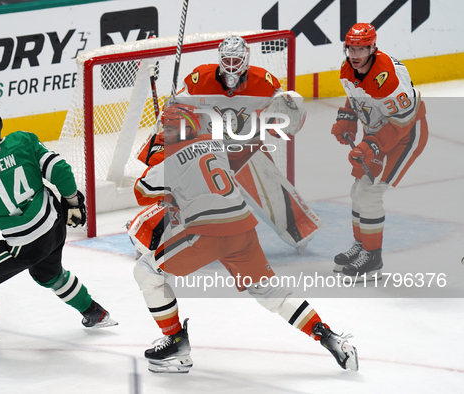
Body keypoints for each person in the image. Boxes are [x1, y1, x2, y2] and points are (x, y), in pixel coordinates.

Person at [132, 103, 358, 373]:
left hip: (207, 234)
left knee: (146, 270)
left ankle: (176, 344)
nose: (165, 133)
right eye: (164, 129)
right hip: (243, 229)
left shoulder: (171, 157)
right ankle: (329, 337)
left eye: (169, 129)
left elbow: (141, 191)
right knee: (269, 292)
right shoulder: (216, 144)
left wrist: (159, 151)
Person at [131, 35, 322, 256]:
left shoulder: (265, 82)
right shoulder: (199, 78)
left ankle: (299, 230)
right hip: (207, 153)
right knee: (183, 194)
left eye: (236, 60)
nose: (231, 66)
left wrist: (288, 112)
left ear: (246, 60)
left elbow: (282, 115)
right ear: (220, 59)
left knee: (285, 211)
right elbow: (176, 112)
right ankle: (145, 233)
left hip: (247, 152)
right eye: (227, 60)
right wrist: (177, 120)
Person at [0, 107, 117, 342]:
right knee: (48, 275)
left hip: (26, 243)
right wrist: (72, 200)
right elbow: (59, 169)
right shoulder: (23, 140)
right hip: (55, 223)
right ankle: (94, 312)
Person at [331, 23, 428, 280]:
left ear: (373, 47)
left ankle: (373, 259)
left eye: (361, 49)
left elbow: (402, 122)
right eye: (351, 48)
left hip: (406, 135)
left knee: (370, 192)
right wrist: (348, 119)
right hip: (378, 131)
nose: (355, 55)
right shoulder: (348, 67)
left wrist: (370, 145)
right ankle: (362, 246)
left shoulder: (386, 77)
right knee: (357, 191)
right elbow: (355, 96)